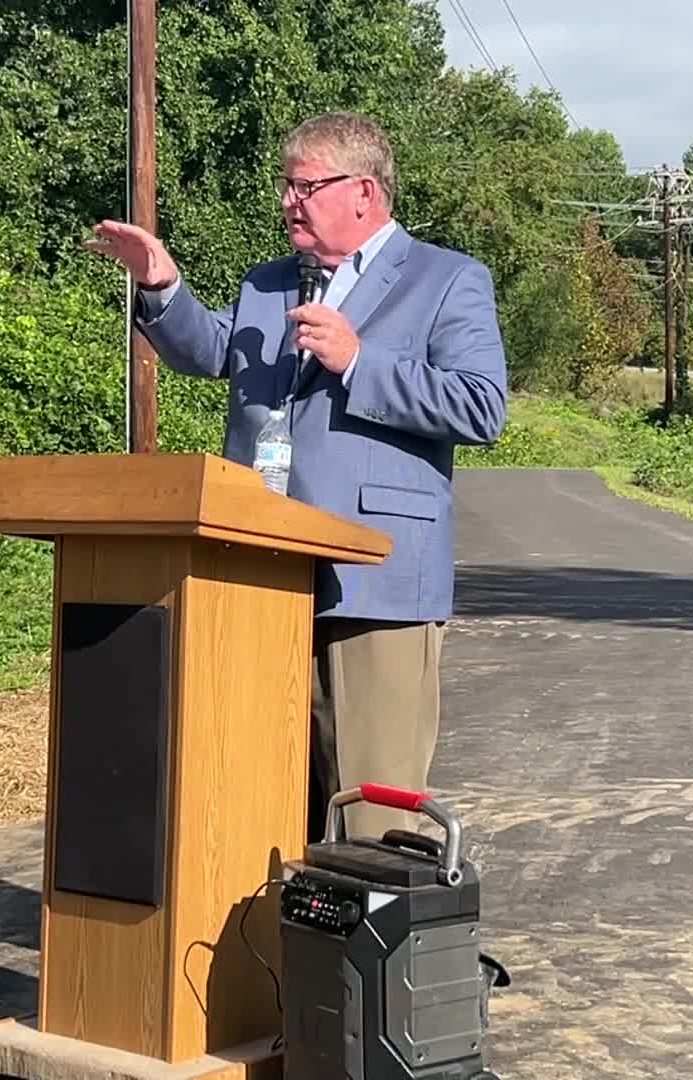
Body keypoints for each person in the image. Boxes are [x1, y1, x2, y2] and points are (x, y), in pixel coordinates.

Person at [86, 111, 508, 842]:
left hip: (374, 581)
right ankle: (276, 955)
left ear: (364, 193)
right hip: (259, 573)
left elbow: (480, 405)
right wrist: (161, 285)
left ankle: (368, 956)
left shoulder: (446, 280)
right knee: (265, 803)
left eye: (304, 186)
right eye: (285, 185)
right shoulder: (268, 284)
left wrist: (360, 362)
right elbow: (215, 348)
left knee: (374, 817)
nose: (288, 201)